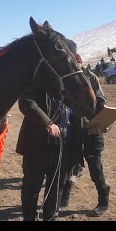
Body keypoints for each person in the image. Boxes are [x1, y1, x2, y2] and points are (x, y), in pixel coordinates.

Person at [16, 40, 79, 221]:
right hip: (37, 144)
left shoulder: (76, 83)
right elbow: (26, 102)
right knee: (31, 186)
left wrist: (100, 123)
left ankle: (50, 218)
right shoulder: (38, 78)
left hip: (63, 145)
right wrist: (47, 123)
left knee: (56, 186)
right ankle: (29, 217)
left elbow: (87, 108)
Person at [61, 53, 110, 217]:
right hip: (74, 128)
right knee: (70, 163)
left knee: (95, 167)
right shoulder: (68, 78)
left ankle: (103, 200)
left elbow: (101, 99)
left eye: (78, 64)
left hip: (92, 129)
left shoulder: (91, 77)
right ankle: (64, 198)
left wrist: (103, 121)